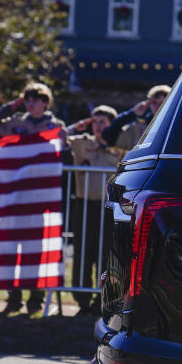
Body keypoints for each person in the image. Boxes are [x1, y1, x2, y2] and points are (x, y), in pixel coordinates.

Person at [0, 82, 63, 314]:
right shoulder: (15, 122)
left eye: (36, 99)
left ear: (45, 102)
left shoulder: (55, 125)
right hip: (13, 195)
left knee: (35, 250)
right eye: (27, 99)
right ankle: (13, 297)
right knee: (11, 247)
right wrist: (11, 106)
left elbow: (62, 151)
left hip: (40, 198)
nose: (31, 104)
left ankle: (35, 299)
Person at [66, 105, 119, 316]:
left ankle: (102, 298)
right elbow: (60, 137)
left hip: (108, 208)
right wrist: (78, 126)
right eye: (95, 121)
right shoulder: (83, 142)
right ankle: (82, 301)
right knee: (83, 252)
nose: (98, 127)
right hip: (85, 204)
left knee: (105, 253)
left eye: (103, 122)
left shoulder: (119, 147)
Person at [100, 84, 170, 150]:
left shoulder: (176, 125)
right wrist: (133, 113)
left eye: (162, 103)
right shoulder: (139, 127)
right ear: (149, 103)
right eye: (154, 102)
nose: (158, 106)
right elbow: (108, 137)